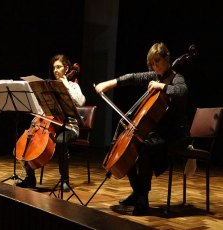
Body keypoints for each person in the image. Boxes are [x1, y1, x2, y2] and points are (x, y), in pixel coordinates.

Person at [95, 42, 190, 215]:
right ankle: (138, 191)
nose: (155, 67)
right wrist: (110, 83)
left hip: (176, 134)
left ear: (167, 58)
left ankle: (142, 198)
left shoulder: (177, 78)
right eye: (152, 64)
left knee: (145, 148)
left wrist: (162, 86)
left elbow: (182, 91)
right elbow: (132, 77)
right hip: (158, 134)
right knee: (128, 147)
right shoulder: (155, 75)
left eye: (158, 62)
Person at [16, 54, 86, 191]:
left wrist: (66, 85)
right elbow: (40, 108)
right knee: (29, 139)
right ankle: (30, 178)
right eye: (54, 67)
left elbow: (81, 101)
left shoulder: (72, 85)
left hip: (69, 127)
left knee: (61, 141)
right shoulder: (48, 86)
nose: (55, 70)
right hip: (49, 125)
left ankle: (65, 180)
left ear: (66, 68)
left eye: (58, 67)